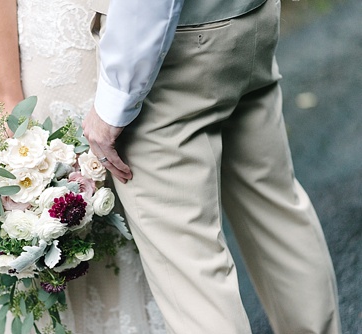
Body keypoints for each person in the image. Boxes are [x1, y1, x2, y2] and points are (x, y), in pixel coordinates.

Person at [83, 0, 342, 333]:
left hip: (172, 54)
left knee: (192, 271)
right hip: (249, 18)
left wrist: (114, 102)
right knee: (276, 212)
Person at [0, 0, 165, 333]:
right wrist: (7, 94)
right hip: (50, 59)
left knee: (137, 224)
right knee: (52, 222)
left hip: (131, 49)